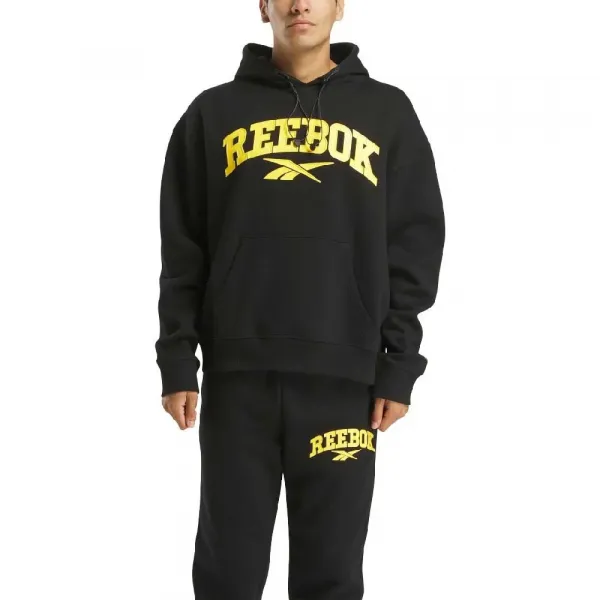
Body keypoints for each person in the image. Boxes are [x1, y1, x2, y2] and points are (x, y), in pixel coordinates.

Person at [155, 0, 445, 598]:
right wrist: (178, 358)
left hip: (345, 383)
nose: (299, 4)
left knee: (331, 576)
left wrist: (399, 365)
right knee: (227, 575)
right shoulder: (212, 114)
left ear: (340, 6)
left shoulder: (387, 113)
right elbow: (184, 250)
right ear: (263, 7)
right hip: (239, 380)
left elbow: (414, 245)